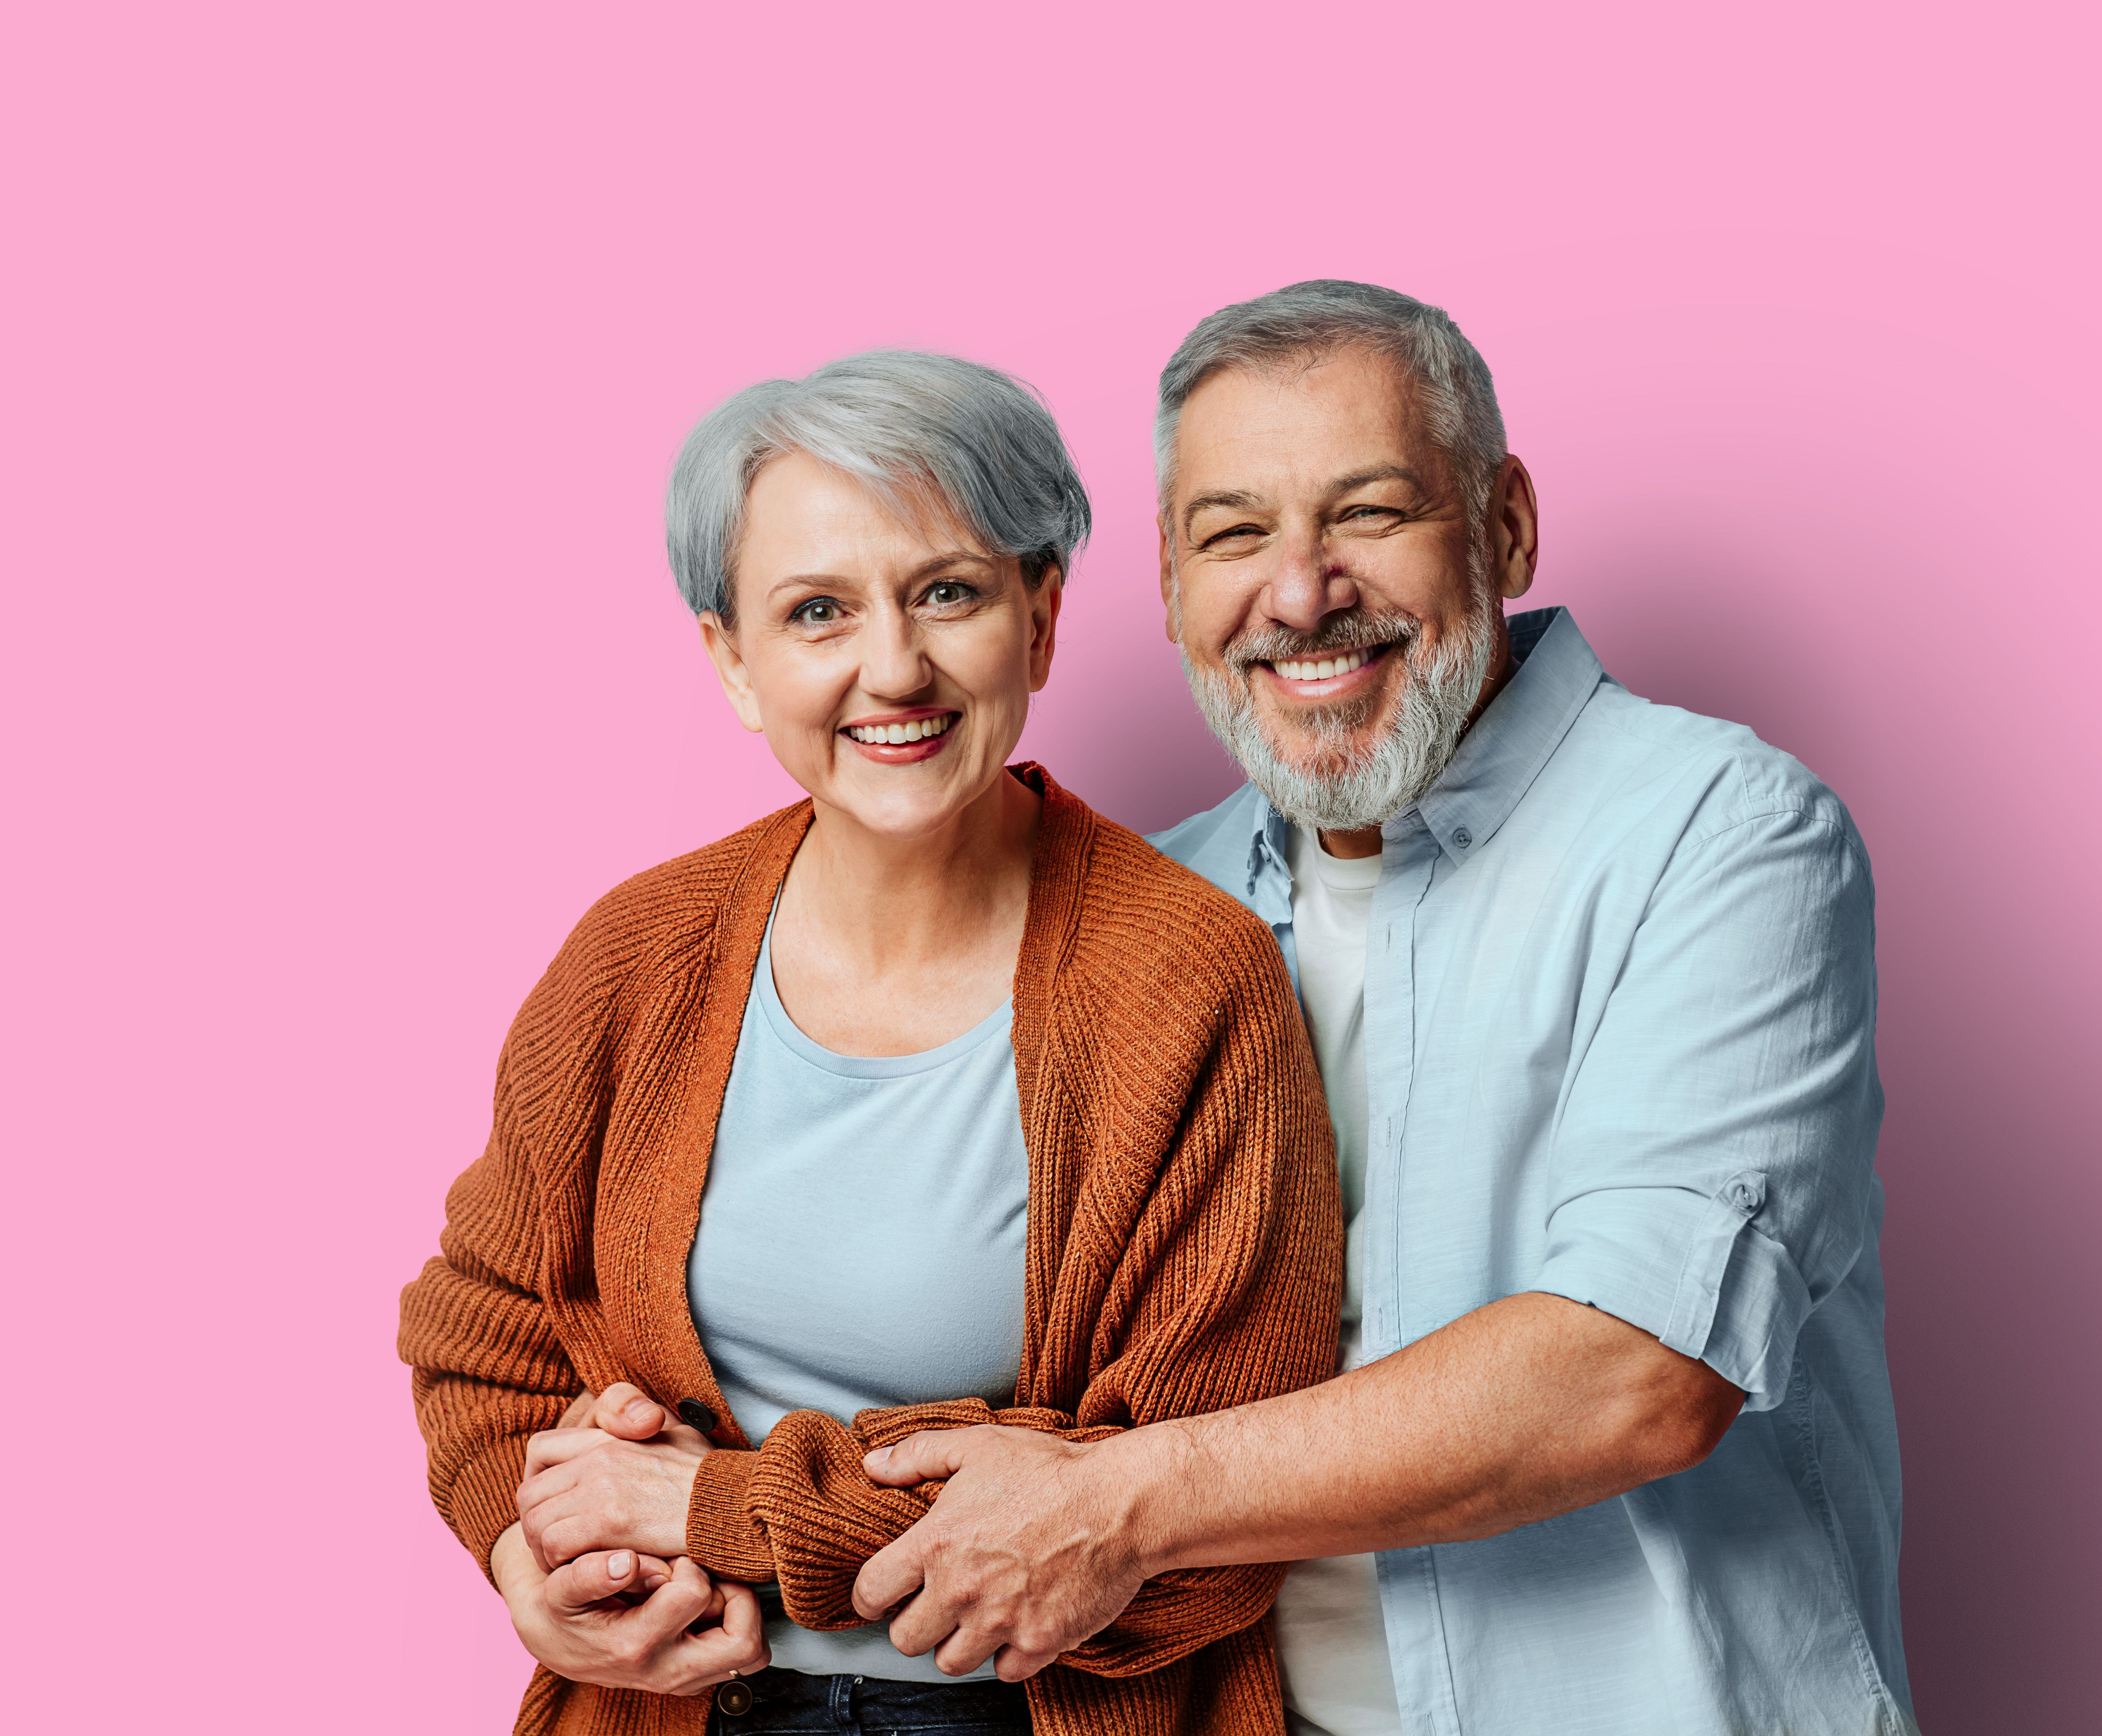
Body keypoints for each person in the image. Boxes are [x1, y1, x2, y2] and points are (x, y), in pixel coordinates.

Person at [834, 285, 1916, 1735]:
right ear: (1166, 582)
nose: (1298, 594)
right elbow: (957, 1332)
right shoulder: (1145, 907)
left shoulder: (1722, 834)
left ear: (1507, 525)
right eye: (1233, 535)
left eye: (1371, 512)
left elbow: (1636, 1373)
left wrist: (1123, 1506)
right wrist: (604, 1507)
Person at [397, 350, 1346, 1736]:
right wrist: (522, 1559)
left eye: (947, 592)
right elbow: (484, 1339)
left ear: (1043, 615)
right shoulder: (635, 957)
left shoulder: (1190, 983)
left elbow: (1206, 1517)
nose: (891, 667)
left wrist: (717, 1508)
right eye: (817, 612)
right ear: (734, 661)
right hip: (672, 1709)